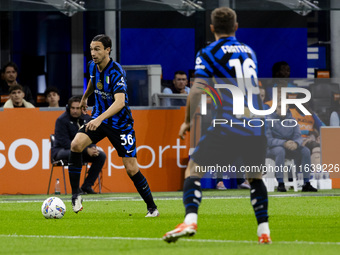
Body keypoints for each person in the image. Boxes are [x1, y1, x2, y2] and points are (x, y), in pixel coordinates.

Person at [163, 7, 271, 244]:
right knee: (255, 178)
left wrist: (188, 121)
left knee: (194, 170)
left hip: (228, 125)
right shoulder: (249, 52)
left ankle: (190, 220)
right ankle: (264, 231)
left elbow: (199, 88)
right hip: (255, 126)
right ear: (236, 27)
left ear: (212, 28)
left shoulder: (209, 52)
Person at [68, 34, 159, 217]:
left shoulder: (116, 71)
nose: (93, 53)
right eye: (92, 49)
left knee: (131, 168)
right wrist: (85, 97)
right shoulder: (92, 65)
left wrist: (99, 118)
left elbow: (120, 102)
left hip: (120, 124)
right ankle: (75, 194)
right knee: (76, 144)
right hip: (100, 120)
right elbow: (94, 82)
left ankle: (152, 208)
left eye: (97, 49)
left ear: (108, 50)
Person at [52, 96, 106, 194]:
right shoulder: (61, 120)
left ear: (82, 108)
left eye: (78, 108)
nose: (75, 111)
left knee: (101, 155)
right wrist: (86, 150)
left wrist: (92, 147)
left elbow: (91, 137)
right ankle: (76, 189)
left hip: (81, 150)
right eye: (73, 108)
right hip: (61, 151)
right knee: (76, 154)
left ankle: (87, 186)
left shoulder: (88, 119)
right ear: (68, 108)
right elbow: (65, 142)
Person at [266, 95, 318, 192]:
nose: (282, 109)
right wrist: (284, 143)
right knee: (280, 150)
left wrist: (296, 144)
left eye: (284, 107)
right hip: (272, 149)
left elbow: (298, 136)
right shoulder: (268, 120)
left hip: (289, 147)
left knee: (305, 151)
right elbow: (268, 140)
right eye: (279, 107)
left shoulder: (292, 120)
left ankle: (306, 183)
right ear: (275, 108)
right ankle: (280, 183)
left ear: (287, 107)